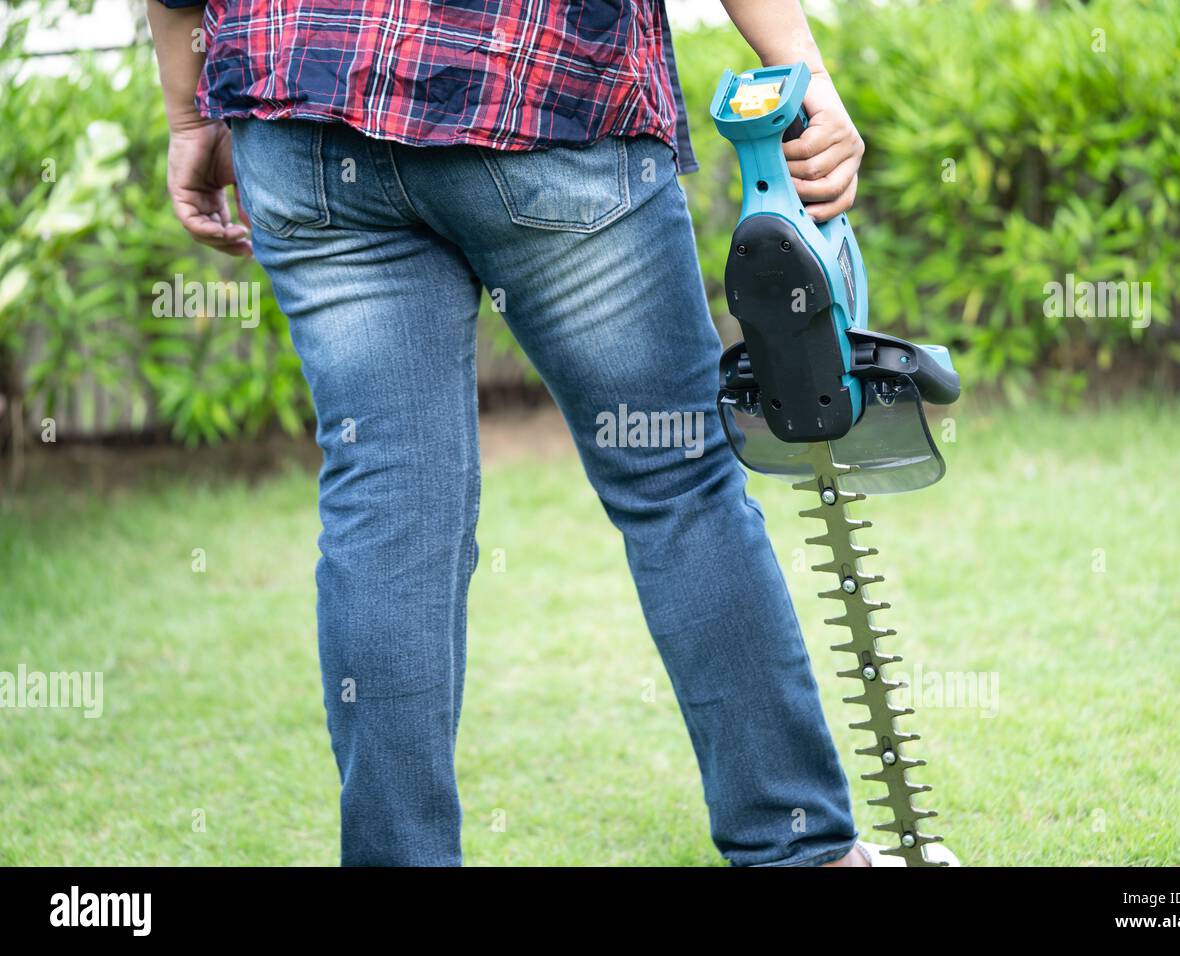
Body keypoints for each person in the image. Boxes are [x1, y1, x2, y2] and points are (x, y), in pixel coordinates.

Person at [147, 0, 910, 868]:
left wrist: (187, 110)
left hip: (304, 105)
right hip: (542, 85)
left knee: (388, 505)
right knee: (675, 486)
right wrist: (801, 68)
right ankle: (798, 854)